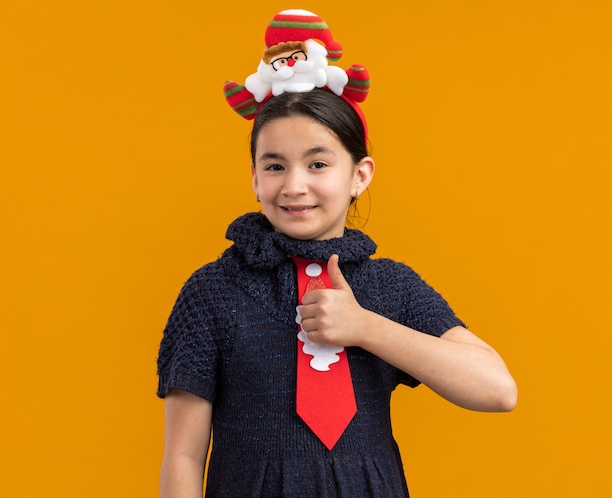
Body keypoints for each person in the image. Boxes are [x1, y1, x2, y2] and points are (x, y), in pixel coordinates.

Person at [157, 9, 517, 498]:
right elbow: (183, 454)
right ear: (255, 178)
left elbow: (497, 390)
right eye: (275, 165)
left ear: (359, 176)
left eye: (318, 163)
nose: (295, 185)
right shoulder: (212, 293)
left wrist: (366, 327)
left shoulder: (391, 287)